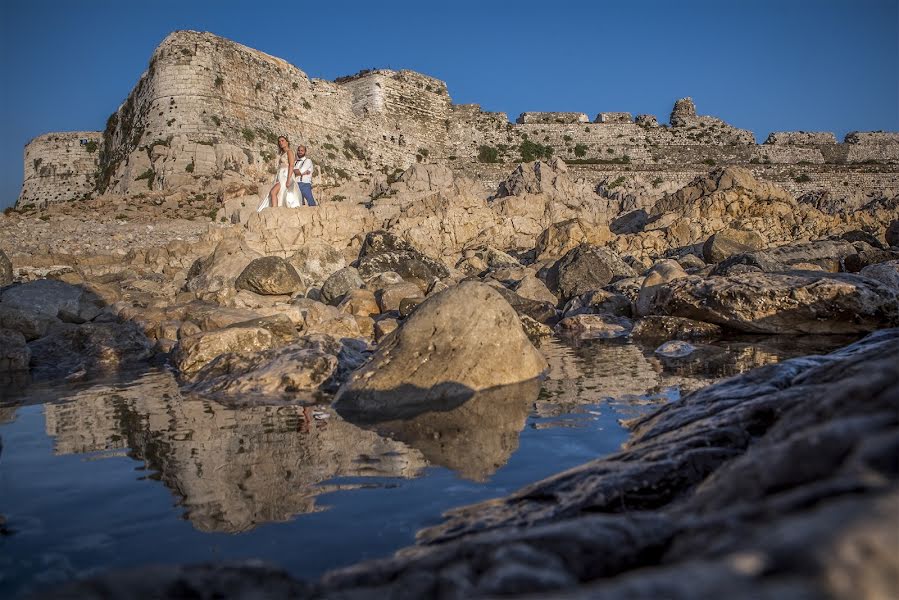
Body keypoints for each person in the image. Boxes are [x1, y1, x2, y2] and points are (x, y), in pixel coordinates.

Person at [257, 135, 300, 211]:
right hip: (280, 176)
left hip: (286, 175)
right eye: (279, 141)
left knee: (274, 192)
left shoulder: (289, 152)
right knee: (275, 193)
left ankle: (275, 211)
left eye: (282, 141)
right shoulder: (282, 153)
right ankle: (275, 210)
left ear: (287, 142)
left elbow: (291, 165)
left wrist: (288, 179)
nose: (281, 143)